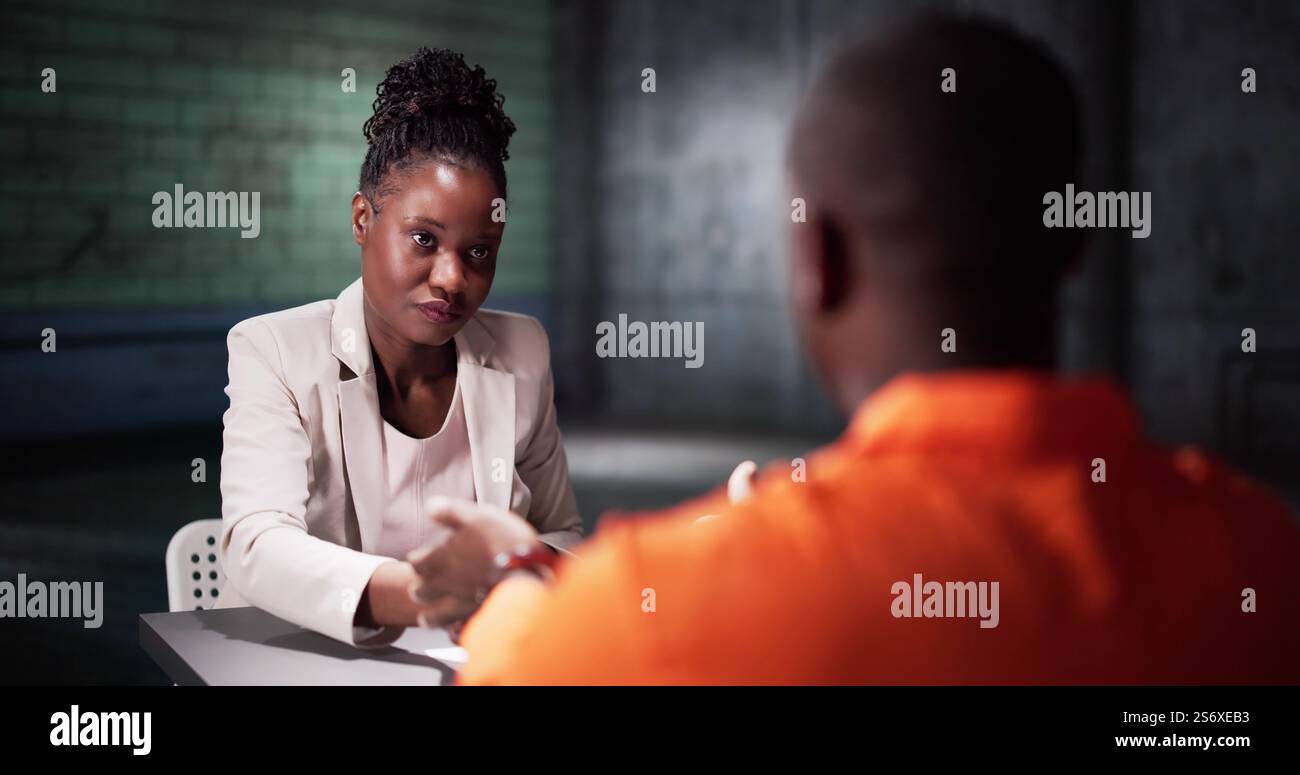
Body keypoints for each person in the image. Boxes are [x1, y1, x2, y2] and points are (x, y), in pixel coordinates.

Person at [404, 16, 1300, 684]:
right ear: (1074, 241)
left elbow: (542, 662)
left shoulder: (651, 612)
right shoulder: (1262, 559)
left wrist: (512, 581)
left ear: (819, 258)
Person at [215, 48, 581, 647]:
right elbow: (256, 545)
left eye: (479, 251)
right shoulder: (274, 350)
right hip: (298, 661)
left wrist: (516, 571)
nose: (453, 279)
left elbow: (561, 534)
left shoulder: (523, 351)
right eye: (423, 239)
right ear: (363, 219)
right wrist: (425, 596)